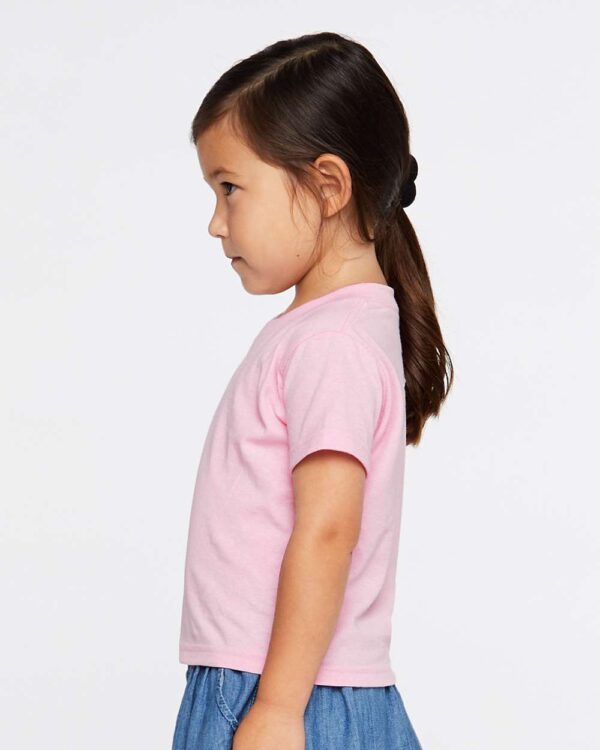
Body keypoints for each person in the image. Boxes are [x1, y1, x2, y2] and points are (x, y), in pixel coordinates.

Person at [171, 30, 453, 750]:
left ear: (328, 186)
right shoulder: (327, 332)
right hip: (287, 685)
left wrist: (276, 706)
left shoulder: (330, 343)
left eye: (230, 188)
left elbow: (328, 529)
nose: (216, 223)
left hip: (284, 690)